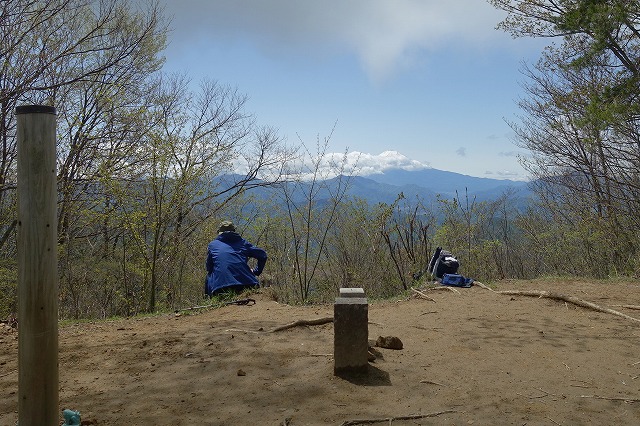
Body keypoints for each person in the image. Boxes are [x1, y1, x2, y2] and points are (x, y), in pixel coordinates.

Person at [204, 220, 267, 296]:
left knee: (209, 276)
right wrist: (256, 271)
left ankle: (209, 298)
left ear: (219, 232)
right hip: (247, 283)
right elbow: (263, 255)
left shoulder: (213, 245)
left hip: (221, 288)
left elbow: (209, 268)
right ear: (234, 231)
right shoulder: (243, 243)